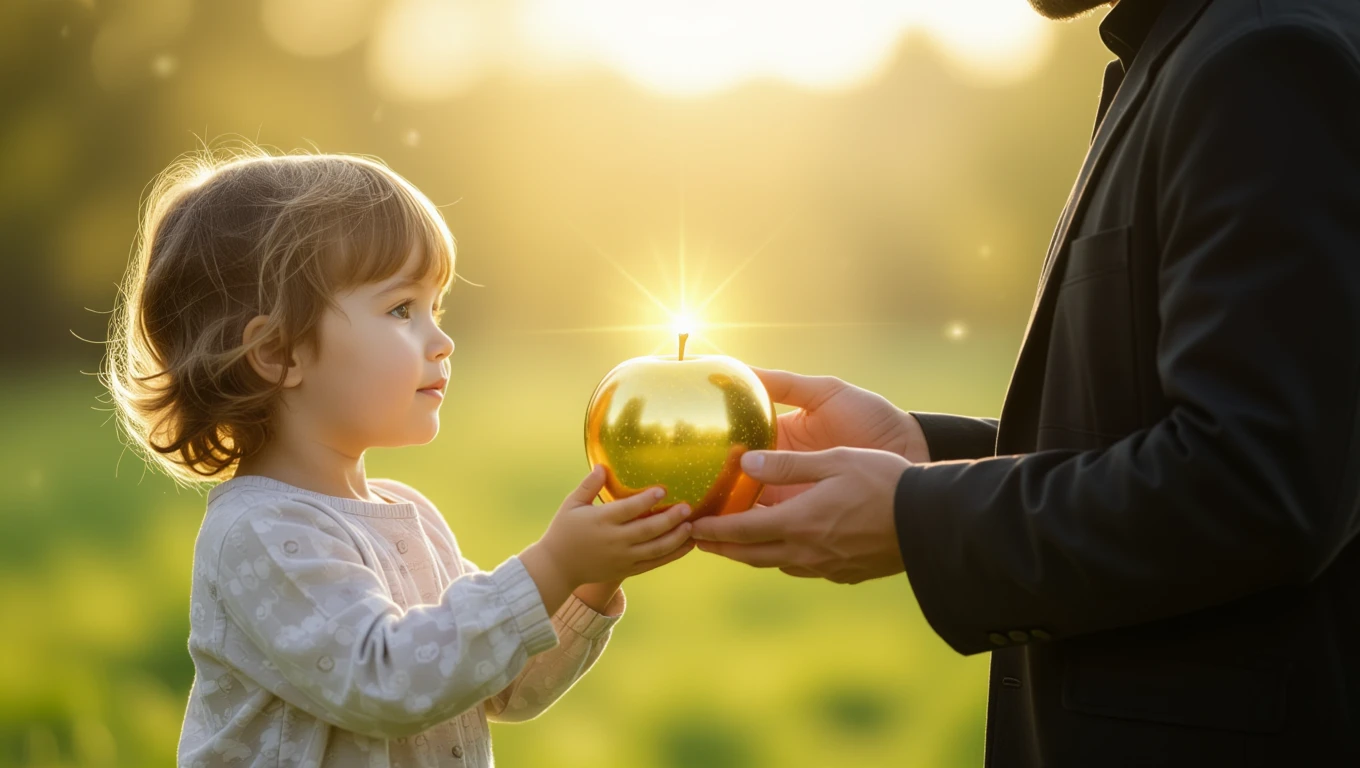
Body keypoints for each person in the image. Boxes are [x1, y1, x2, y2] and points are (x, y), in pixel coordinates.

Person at [690, 0, 1360, 764]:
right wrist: (923, 455)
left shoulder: (1268, 59)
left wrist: (918, 518)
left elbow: (1255, 484)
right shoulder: (1197, 50)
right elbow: (1157, 435)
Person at [102, 149, 696, 767]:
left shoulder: (408, 515)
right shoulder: (260, 533)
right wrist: (551, 563)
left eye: (436, 308)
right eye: (401, 309)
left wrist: (591, 577)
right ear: (279, 353)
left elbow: (503, 684)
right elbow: (386, 681)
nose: (442, 341)